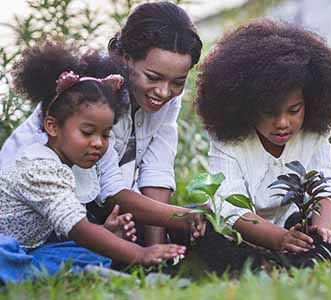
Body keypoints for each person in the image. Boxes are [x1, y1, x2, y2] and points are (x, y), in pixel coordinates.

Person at [0, 1, 203, 246]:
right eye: (153, 77)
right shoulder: (93, 96)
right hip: (46, 214)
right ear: (127, 58)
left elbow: (156, 170)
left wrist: (157, 248)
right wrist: (178, 219)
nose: (163, 92)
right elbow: (109, 196)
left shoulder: (166, 95)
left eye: (177, 82)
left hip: (93, 203)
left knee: (200, 225)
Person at [0, 41, 187, 284]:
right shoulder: (39, 168)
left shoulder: (69, 163)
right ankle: (56, 275)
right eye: (87, 132)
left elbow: (73, 230)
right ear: (52, 126)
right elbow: (78, 227)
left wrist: (107, 234)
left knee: (86, 251)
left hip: (32, 249)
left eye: (106, 134)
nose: (98, 143)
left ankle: (66, 273)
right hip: (9, 246)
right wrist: (141, 254)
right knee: (7, 254)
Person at [195, 19, 331, 262]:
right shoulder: (229, 140)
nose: (282, 122)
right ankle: (287, 257)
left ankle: (291, 257)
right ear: (246, 106)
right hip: (243, 233)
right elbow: (230, 208)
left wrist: (323, 231)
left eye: (293, 110)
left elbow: (325, 187)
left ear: (309, 102)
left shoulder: (313, 131)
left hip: (296, 226)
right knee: (204, 233)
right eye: (269, 112)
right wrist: (279, 239)